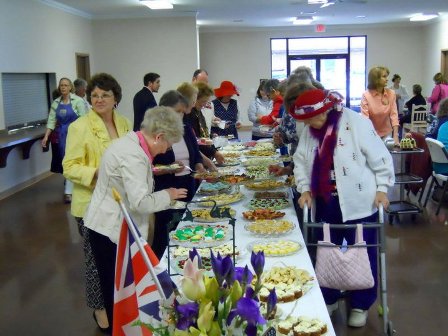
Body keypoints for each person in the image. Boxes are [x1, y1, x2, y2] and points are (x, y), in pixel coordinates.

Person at [291, 87, 395, 328]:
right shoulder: (310, 129)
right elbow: (301, 160)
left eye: (314, 118)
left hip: (360, 201)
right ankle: (329, 295)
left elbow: (379, 156)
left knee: (364, 250)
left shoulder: (355, 122)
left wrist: (382, 188)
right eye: (306, 120)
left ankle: (360, 303)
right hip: (326, 200)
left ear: (328, 109)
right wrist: (304, 189)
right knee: (326, 249)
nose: (311, 124)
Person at [84, 106, 187, 333]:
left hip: (111, 225)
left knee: (120, 287)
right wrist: (167, 196)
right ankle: (121, 329)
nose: (165, 150)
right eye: (167, 145)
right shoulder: (133, 155)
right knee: (118, 290)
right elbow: (140, 203)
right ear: (158, 136)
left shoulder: (132, 143)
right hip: (108, 230)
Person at [63, 73, 131, 332]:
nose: (99, 99)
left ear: (116, 98)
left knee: (116, 259)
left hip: (121, 204)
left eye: (105, 95)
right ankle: (100, 310)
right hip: (91, 205)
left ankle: (120, 305)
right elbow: (69, 166)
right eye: (94, 95)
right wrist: (96, 174)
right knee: (94, 261)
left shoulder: (124, 123)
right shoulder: (79, 127)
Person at [153, 90, 206, 259]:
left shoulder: (187, 128)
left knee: (190, 230)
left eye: (182, 112)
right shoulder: (153, 133)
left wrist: (200, 167)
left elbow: (195, 155)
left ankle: (187, 262)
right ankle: (161, 269)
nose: (181, 116)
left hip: (189, 185)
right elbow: (148, 167)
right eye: (177, 112)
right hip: (166, 189)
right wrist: (169, 168)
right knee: (167, 232)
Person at [41, 78, 86, 203]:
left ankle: (69, 191)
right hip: (61, 135)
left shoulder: (78, 101)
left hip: (75, 134)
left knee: (72, 161)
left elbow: (84, 120)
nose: (63, 87)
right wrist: (46, 136)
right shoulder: (56, 102)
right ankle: (70, 187)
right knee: (65, 162)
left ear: (70, 87)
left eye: (66, 85)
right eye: (61, 85)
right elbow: (51, 121)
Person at [186, 81, 225, 165]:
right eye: (203, 101)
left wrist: (214, 151)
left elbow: (204, 135)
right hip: (198, 160)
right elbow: (196, 140)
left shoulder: (199, 112)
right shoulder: (189, 114)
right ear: (195, 98)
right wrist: (214, 153)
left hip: (205, 156)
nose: (204, 105)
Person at [361, 66, 400, 145]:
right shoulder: (366, 95)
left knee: (388, 156)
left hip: (387, 133)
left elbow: (394, 116)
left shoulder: (391, 94)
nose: (387, 79)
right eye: (384, 76)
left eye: (387, 76)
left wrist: (396, 137)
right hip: (371, 133)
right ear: (376, 79)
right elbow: (365, 120)